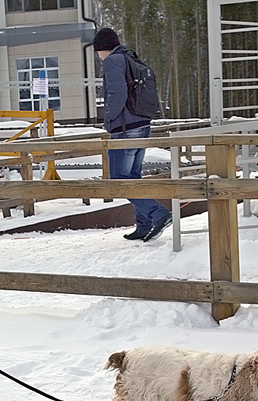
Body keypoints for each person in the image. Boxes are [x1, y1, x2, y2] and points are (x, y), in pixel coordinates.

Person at [93, 27, 172, 242]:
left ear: (102, 48)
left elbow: (117, 94)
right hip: (141, 125)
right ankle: (144, 224)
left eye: (97, 51)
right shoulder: (129, 57)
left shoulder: (113, 61)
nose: (98, 56)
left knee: (119, 178)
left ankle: (159, 214)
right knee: (133, 178)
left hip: (125, 129)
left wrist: (109, 122)